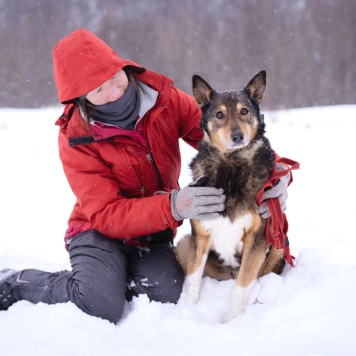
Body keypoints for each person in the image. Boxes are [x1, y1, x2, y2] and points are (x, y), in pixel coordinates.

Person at [0, 29, 289, 324]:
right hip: (97, 230)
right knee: (101, 306)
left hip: (152, 232)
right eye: (97, 89)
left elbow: (225, 141)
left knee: (166, 291)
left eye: (114, 77)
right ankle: (17, 282)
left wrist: (275, 175)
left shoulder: (165, 101)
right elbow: (105, 212)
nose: (114, 91)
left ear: (122, 66)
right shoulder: (76, 137)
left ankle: (105, 280)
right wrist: (173, 207)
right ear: (80, 98)